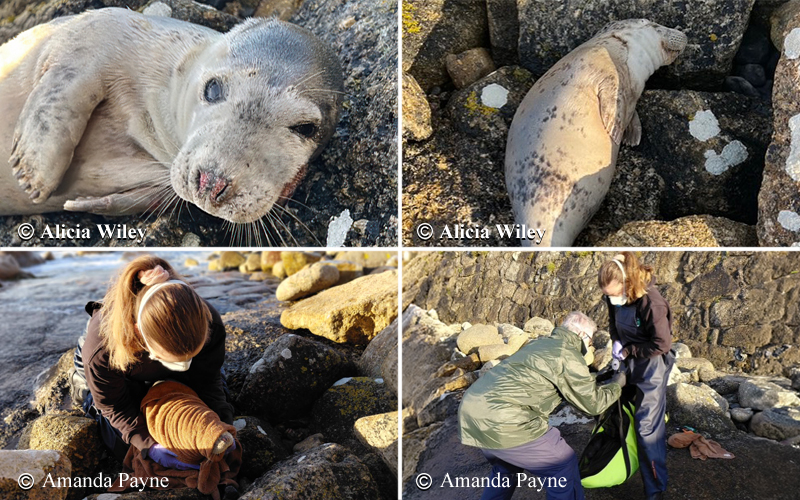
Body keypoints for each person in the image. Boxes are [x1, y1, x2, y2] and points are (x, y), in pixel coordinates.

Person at [68, 255, 234, 469]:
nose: (184, 364)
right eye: (176, 361)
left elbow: (209, 380)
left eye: (190, 357)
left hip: (152, 359)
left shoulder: (209, 322)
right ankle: (82, 385)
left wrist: (222, 426)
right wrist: (149, 445)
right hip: (118, 366)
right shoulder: (102, 348)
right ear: (139, 333)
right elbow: (115, 407)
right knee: (124, 446)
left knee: (218, 400)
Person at [458, 311, 625, 500]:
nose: (590, 346)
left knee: (506, 467)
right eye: (591, 341)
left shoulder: (540, 344)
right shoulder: (567, 353)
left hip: (473, 412)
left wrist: (599, 378)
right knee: (562, 466)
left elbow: (560, 380)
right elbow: (594, 404)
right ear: (581, 336)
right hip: (505, 420)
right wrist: (617, 385)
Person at [598, 251, 675, 500]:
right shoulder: (614, 297)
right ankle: (623, 466)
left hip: (651, 365)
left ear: (627, 283)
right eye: (607, 295)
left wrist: (629, 349)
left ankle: (656, 491)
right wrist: (616, 342)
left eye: (612, 294)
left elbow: (662, 344)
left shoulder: (652, 303)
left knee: (646, 429)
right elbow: (613, 321)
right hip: (628, 361)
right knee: (620, 413)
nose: (610, 299)